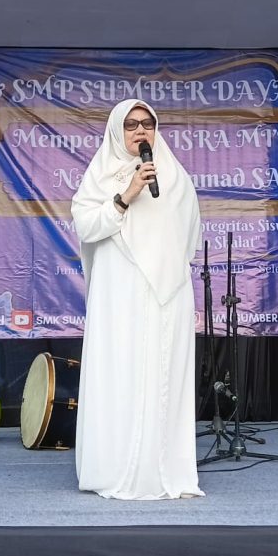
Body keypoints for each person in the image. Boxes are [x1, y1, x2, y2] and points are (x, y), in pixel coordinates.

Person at [71, 99, 204, 500]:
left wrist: (167, 270)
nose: (141, 131)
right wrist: (125, 195)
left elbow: (190, 236)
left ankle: (164, 471)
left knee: (162, 378)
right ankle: (114, 468)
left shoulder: (174, 177)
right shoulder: (100, 175)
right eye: (131, 125)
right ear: (117, 130)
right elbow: (85, 227)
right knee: (121, 374)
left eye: (148, 123)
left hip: (167, 295)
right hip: (119, 293)